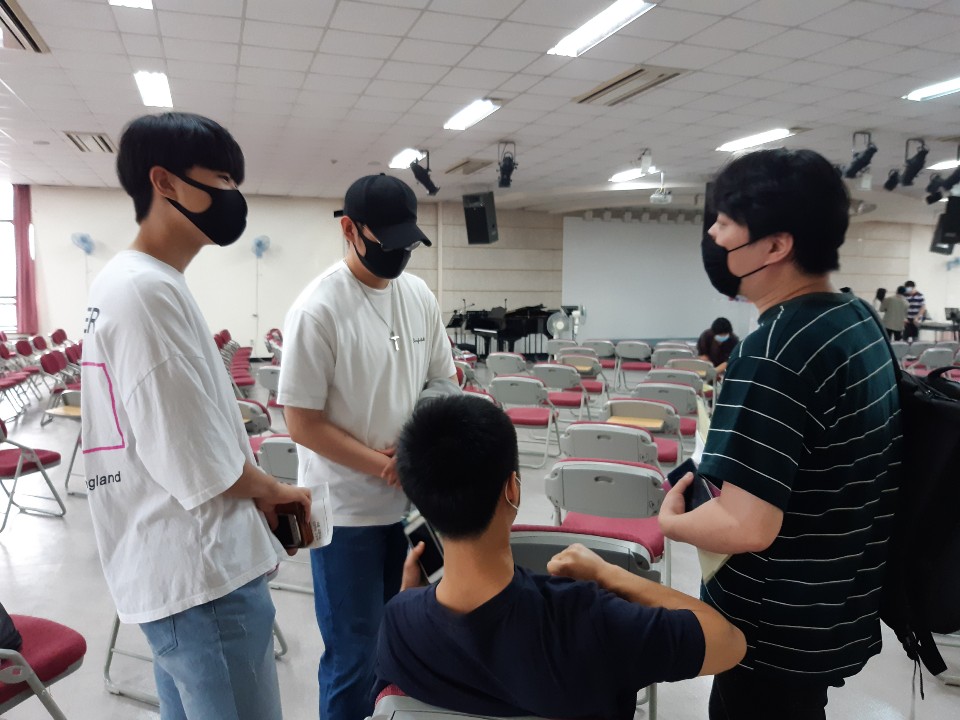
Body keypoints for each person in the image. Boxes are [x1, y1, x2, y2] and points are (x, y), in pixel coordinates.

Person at [80, 112, 312, 720]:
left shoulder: (134, 282)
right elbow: (196, 459)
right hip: (203, 575)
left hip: (175, 569)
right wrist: (276, 490)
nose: (234, 196)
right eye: (222, 179)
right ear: (164, 182)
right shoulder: (145, 291)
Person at [663, 148, 901, 720]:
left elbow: (746, 526)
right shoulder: (854, 318)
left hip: (769, 631)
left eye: (725, 222)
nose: (713, 235)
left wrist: (672, 522)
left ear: (775, 246)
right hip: (830, 604)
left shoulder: (774, 351)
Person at [375, 394, 745, 720]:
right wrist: (609, 574)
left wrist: (410, 599)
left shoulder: (397, 624)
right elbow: (729, 642)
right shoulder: (588, 620)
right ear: (512, 489)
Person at [278, 174, 456, 720]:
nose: (399, 254)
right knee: (352, 655)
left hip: (411, 509)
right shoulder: (318, 309)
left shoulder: (418, 296)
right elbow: (301, 422)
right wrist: (384, 465)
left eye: (408, 243)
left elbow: (442, 381)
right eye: (387, 242)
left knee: (406, 643)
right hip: (344, 515)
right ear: (349, 230)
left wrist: (414, 445)